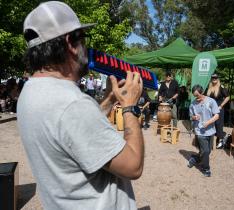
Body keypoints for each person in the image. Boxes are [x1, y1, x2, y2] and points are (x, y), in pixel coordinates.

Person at [18, 2, 144, 210]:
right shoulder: (72, 104)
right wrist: (130, 107)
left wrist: (110, 99)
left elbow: (75, 133)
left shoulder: (30, 91)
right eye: (83, 39)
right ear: (70, 43)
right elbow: (134, 166)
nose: (86, 47)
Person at [188, 84, 219, 177]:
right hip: (199, 130)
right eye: (194, 96)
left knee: (207, 151)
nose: (196, 98)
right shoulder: (193, 104)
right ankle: (206, 169)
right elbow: (190, 116)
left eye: (197, 95)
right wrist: (194, 117)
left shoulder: (211, 101)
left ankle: (195, 159)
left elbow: (217, 115)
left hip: (210, 130)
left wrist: (209, 122)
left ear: (202, 93)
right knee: (205, 151)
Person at [204, 73, 230, 149]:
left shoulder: (221, 87)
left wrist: (221, 106)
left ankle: (221, 140)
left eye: (215, 78)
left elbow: (227, 97)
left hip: (218, 109)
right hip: (210, 109)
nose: (214, 79)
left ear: (218, 79)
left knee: (218, 125)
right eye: (213, 78)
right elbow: (205, 97)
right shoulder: (208, 88)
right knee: (211, 124)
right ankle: (210, 141)